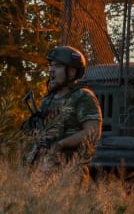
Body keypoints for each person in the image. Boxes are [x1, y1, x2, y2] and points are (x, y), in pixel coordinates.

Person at [25, 46, 102, 178]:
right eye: (51, 66)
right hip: (43, 170)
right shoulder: (48, 100)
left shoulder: (82, 97)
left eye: (58, 66)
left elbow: (93, 132)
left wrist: (60, 144)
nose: (51, 70)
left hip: (70, 173)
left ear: (72, 72)